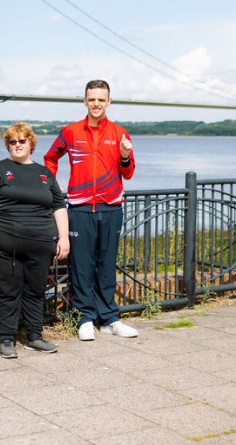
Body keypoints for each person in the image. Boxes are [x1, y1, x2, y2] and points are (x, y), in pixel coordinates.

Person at [43, 79, 138, 341]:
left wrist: (125, 156)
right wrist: (51, 188)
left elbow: (128, 173)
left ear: (109, 101)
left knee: (106, 265)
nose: (96, 104)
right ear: (85, 101)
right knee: (82, 265)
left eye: (101, 99)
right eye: (92, 99)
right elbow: (50, 158)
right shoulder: (71, 132)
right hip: (80, 208)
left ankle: (109, 319)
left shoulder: (120, 134)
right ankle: (84, 318)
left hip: (111, 208)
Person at [0, 122, 70, 359]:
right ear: (8, 145)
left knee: (35, 290)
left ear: (31, 144)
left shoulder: (44, 173)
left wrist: (63, 237)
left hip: (41, 244)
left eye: (22, 141)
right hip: (6, 243)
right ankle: (6, 338)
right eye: (12, 141)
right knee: (7, 290)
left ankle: (35, 336)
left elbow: (59, 206)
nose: (17, 145)